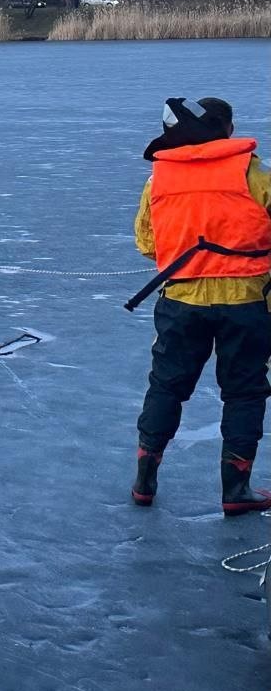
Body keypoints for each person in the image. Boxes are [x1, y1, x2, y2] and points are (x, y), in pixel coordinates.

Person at [130, 97, 271, 515]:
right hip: (247, 303)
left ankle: (144, 481)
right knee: (244, 392)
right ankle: (236, 488)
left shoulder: (159, 180)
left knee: (166, 386)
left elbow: (147, 243)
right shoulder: (255, 173)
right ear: (226, 129)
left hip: (180, 302)